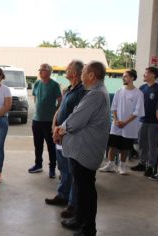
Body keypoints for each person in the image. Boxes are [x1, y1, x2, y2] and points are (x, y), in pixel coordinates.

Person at [54, 61, 110, 236]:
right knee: (80, 188)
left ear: (92, 75)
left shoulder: (96, 95)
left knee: (85, 192)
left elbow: (76, 120)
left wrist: (60, 130)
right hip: (82, 151)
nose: (81, 74)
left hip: (85, 152)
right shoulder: (95, 92)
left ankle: (87, 228)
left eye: (84, 72)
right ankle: (79, 220)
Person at [45, 60, 85, 220]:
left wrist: (60, 131)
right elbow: (60, 110)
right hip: (59, 134)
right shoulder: (68, 90)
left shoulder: (82, 92)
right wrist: (54, 126)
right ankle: (62, 195)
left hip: (69, 136)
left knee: (72, 172)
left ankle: (73, 204)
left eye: (68, 69)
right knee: (63, 170)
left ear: (74, 73)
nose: (65, 71)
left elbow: (75, 117)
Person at [99, 69, 145, 175]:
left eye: (125, 76)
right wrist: (115, 120)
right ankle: (110, 165)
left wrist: (125, 122)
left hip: (129, 126)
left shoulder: (138, 93)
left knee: (125, 147)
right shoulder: (119, 91)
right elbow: (114, 107)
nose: (123, 78)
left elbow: (137, 112)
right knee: (112, 145)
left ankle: (122, 166)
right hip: (116, 124)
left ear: (132, 78)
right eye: (123, 76)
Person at [28, 63, 62, 178]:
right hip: (36, 120)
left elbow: (60, 100)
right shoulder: (37, 83)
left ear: (49, 72)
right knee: (38, 144)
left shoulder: (54, 85)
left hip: (49, 121)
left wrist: (56, 114)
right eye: (40, 70)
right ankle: (38, 165)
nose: (40, 71)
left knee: (51, 146)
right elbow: (35, 98)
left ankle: (52, 168)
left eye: (43, 70)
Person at [131, 67, 158, 177]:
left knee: (152, 145)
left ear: (153, 75)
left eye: (146, 73)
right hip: (142, 120)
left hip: (154, 122)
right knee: (141, 143)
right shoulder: (142, 88)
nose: (144, 75)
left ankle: (151, 166)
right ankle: (142, 163)